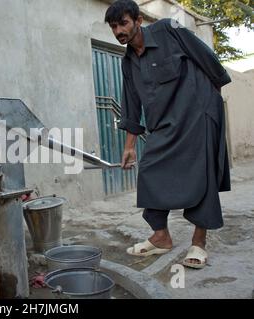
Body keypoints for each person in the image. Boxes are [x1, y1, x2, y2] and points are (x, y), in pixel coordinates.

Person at [104, 0, 231, 269]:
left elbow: (205, 56)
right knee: (149, 169)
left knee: (202, 176)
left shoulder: (168, 30)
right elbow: (131, 104)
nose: (118, 31)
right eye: (114, 27)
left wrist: (212, 103)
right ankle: (160, 236)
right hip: (164, 125)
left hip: (197, 115)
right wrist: (129, 146)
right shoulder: (128, 63)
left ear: (138, 20)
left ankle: (199, 242)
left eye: (123, 23)